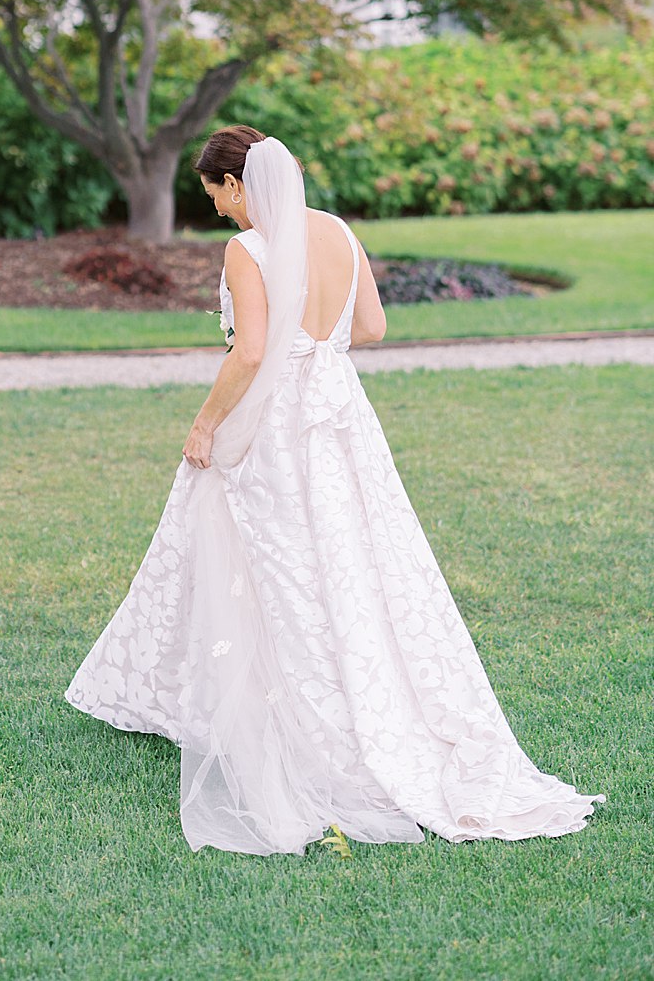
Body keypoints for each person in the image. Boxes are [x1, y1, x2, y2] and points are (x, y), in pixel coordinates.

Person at [63, 126, 606, 856]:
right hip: (342, 419)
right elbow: (373, 328)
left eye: (216, 196)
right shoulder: (340, 233)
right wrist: (320, 342)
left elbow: (251, 353)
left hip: (277, 425)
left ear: (237, 184)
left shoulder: (247, 250)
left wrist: (204, 423)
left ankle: (235, 704)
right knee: (355, 562)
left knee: (270, 560)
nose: (219, 212)